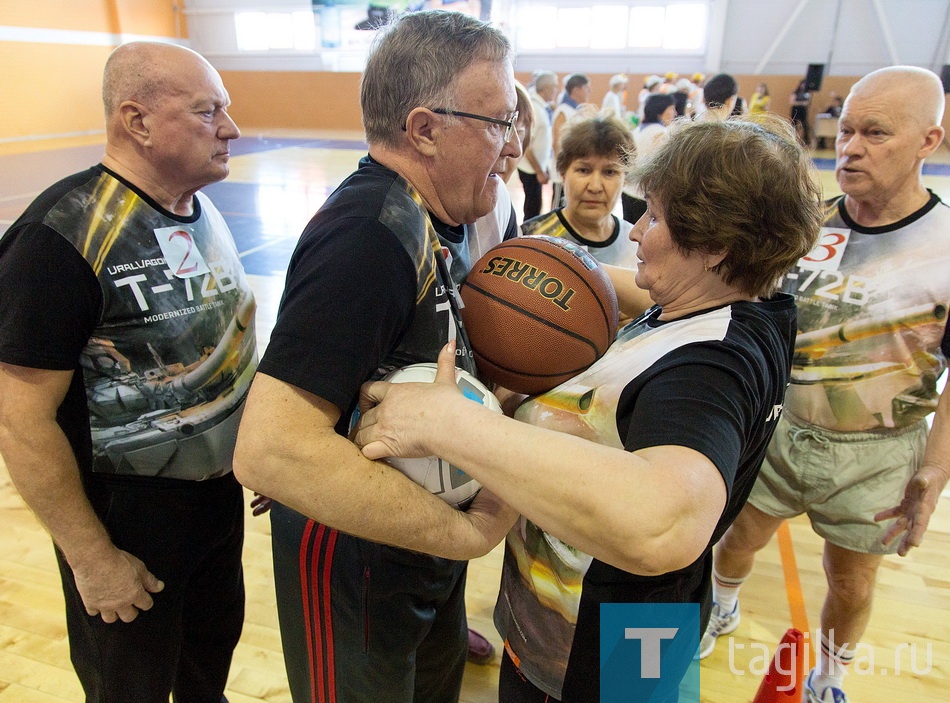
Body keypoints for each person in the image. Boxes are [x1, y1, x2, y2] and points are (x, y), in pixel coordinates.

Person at [354, 115, 822, 703]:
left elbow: (666, 523)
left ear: (715, 245)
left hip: (609, 640)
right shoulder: (755, 302)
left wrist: (450, 424)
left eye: (653, 216)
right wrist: (548, 265)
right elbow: (613, 285)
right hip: (640, 616)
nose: (638, 231)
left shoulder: (707, 372)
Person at [231, 11, 521, 703]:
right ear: (424, 128)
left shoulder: (437, 215)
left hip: (413, 543)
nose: (512, 146)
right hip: (354, 556)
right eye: (498, 122)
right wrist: (465, 532)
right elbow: (270, 450)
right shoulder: (367, 235)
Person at [0, 41, 256, 702]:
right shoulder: (61, 235)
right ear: (137, 122)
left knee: (208, 670)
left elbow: (228, 350)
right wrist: (92, 558)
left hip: (216, 505)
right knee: (129, 687)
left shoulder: (200, 209)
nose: (231, 128)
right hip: (126, 523)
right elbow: (19, 416)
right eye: (208, 112)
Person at [700, 66, 950, 703]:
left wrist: (936, 471)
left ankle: (828, 677)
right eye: (845, 132)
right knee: (737, 539)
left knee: (852, 583)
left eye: (875, 133)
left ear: (929, 141)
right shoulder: (805, 224)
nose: (851, 147)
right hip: (780, 426)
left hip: (877, 452)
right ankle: (722, 607)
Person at [522, 111, 638, 273]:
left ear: (625, 178)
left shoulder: (636, 243)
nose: (595, 187)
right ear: (563, 173)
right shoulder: (530, 238)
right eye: (584, 170)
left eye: (610, 172)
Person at [622, 92, 676, 225]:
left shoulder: (638, 129)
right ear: (661, 110)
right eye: (671, 108)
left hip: (627, 191)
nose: (674, 112)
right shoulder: (660, 133)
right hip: (642, 195)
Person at [517, 71, 557, 221]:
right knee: (532, 209)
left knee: (535, 206)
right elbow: (527, 145)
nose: (556, 91)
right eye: (554, 87)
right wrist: (539, 171)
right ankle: (528, 239)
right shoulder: (535, 109)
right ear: (545, 88)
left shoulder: (542, 107)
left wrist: (544, 166)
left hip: (536, 167)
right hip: (530, 168)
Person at [551, 73, 592, 208]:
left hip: (575, 169)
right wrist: (563, 169)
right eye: (587, 88)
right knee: (557, 209)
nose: (589, 91)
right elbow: (557, 142)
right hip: (563, 172)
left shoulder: (576, 110)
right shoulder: (564, 110)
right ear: (576, 89)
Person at [790, 78, 812, 143]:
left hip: (803, 110)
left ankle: (806, 140)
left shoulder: (807, 93)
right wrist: (801, 103)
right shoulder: (795, 92)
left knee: (805, 125)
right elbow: (792, 102)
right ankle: (792, 139)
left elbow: (808, 102)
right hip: (796, 110)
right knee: (794, 125)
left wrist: (803, 103)